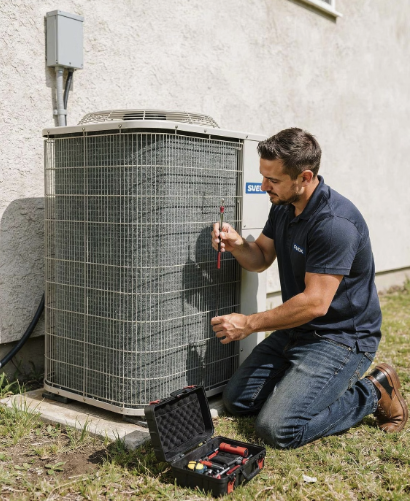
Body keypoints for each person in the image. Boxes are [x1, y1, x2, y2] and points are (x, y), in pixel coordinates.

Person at [210, 128, 408, 449]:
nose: (264, 187)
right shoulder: (283, 206)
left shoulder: (334, 224)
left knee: (278, 429)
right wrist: (237, 245)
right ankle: (298, 387)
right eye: (263, 176)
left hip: (340, 338)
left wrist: (249, 324)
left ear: (304, 177)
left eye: (272, 180)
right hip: (297, 329)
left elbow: (315, 303)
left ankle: (375, 391)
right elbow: (260, 257)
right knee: (238, 400)